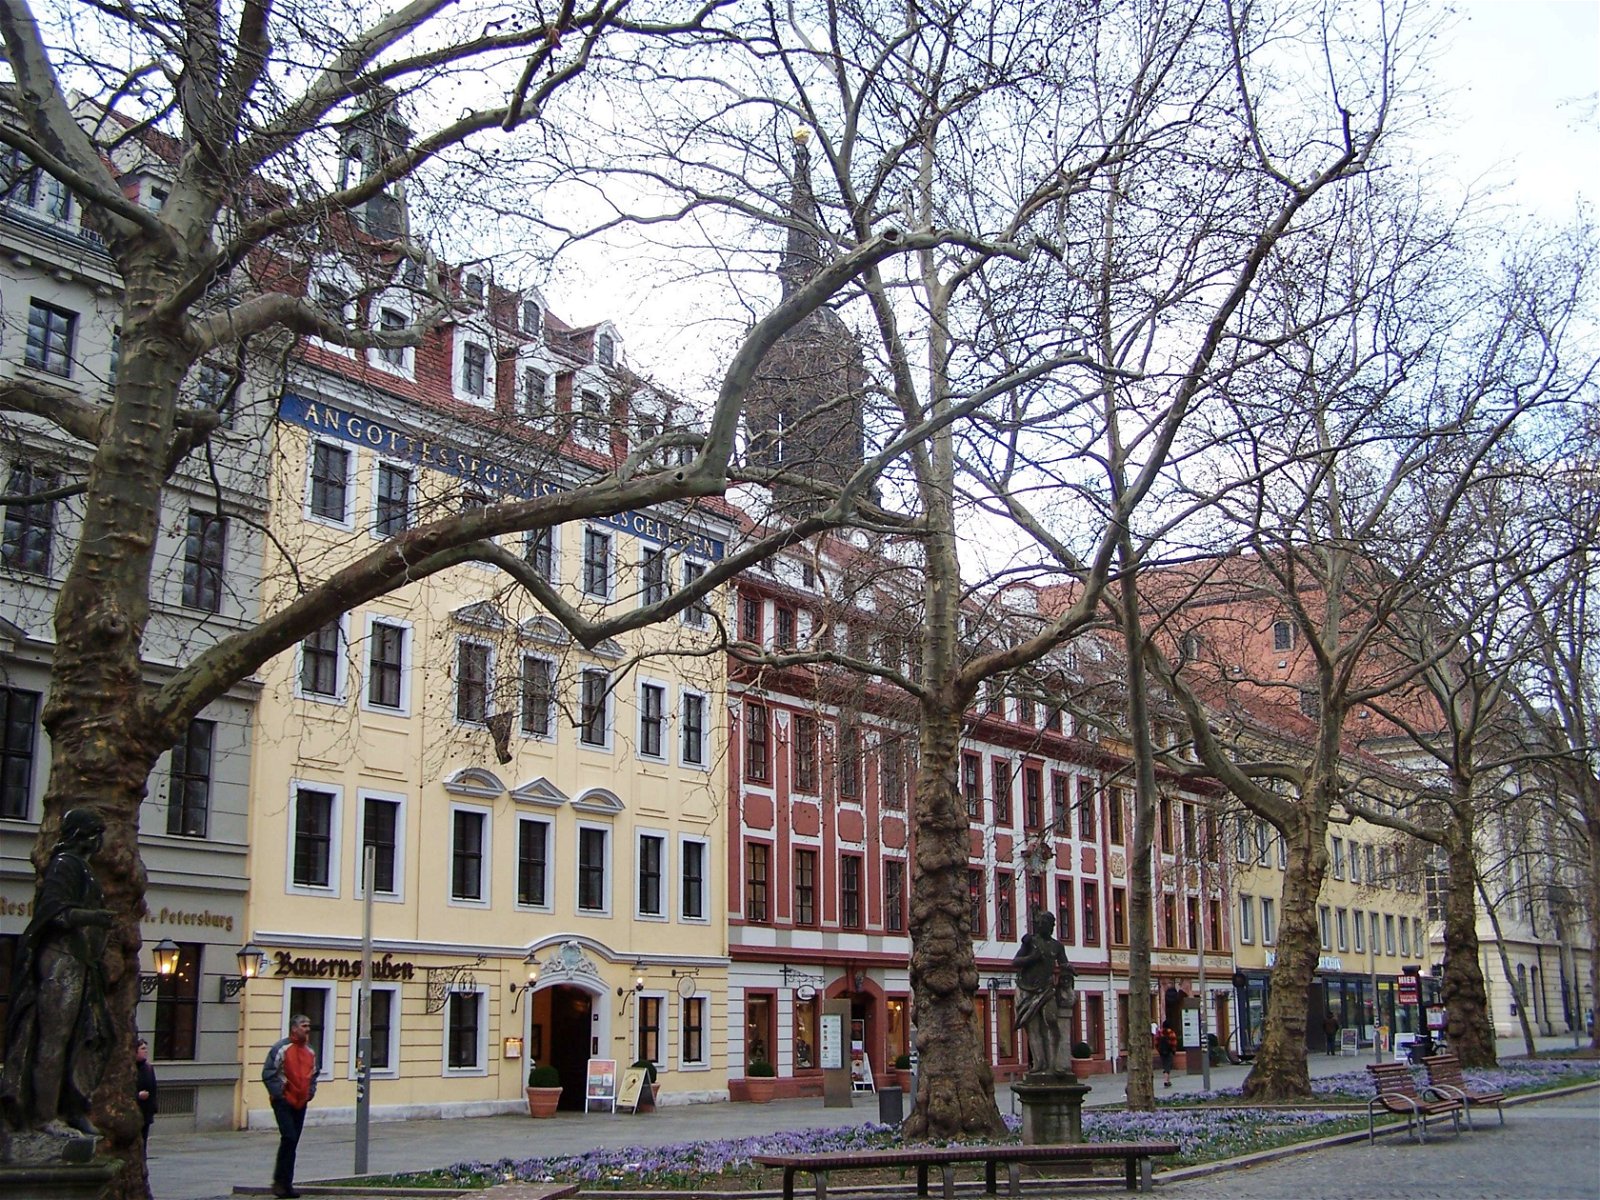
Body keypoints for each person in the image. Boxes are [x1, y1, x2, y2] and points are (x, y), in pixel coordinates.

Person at [0, 807, 115, 1138]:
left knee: (88, 1036)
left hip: (80, 961)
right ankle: (45, 1116)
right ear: (84, 836)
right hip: (61, 959)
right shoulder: (64, 865)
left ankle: (73, 1106)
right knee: (55, 1038)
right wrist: (95, 918)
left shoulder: (83, 869)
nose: (100, 841)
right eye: (96, 833)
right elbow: (55, 913)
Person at [1013, 909, 1074, 1076]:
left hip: (1047, 990)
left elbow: (1063, 963)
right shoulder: (1030, 942)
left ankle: (1056, 1063)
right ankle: (1038, 1064)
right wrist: (1031, 958)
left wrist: (1068, 969)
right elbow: (1016, 962)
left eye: (1049, 925)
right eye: (1042, 924)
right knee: (1033, 1029)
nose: (1046, 927)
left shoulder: (1057, 946)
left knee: (1051, 1021)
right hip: (1028, 990)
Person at [263, 1015, 317, 1199]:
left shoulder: (310, 1051)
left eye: (309, 1025)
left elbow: (313, 1074)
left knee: (292, 1142)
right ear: (294, 1029)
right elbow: (269, 1073)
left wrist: (310, 1092)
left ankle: (286, 1184)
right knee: (289, 1137)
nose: (307, 1029)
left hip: (301, 1102)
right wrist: (279, 1094)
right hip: (284, 1101)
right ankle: (280, 1182)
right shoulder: (281, 1048)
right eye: (304, 1025)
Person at [135, 1038, 158, 1151]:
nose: (146, 1051)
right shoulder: (130, 1069)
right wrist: (137, 1095)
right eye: (142, 1049)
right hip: (133, 1112)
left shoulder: (148, 1068)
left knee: (143, 1143)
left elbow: (153, 1089)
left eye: (146, 1048)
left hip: (146, 1113)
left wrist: (153, 1109)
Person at [1156, 1021, 1178, 1087]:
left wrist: (1159, 1050)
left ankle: (1168, 1080)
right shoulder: (1171, 1032)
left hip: (1162, 1051)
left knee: (1165, 1065)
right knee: (1168, 1066)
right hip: (1169, 1051)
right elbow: (1174, 1043)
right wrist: (1173, 1050)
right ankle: (1166, 1081)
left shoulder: (1159, 1032)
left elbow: (1156, 1042)